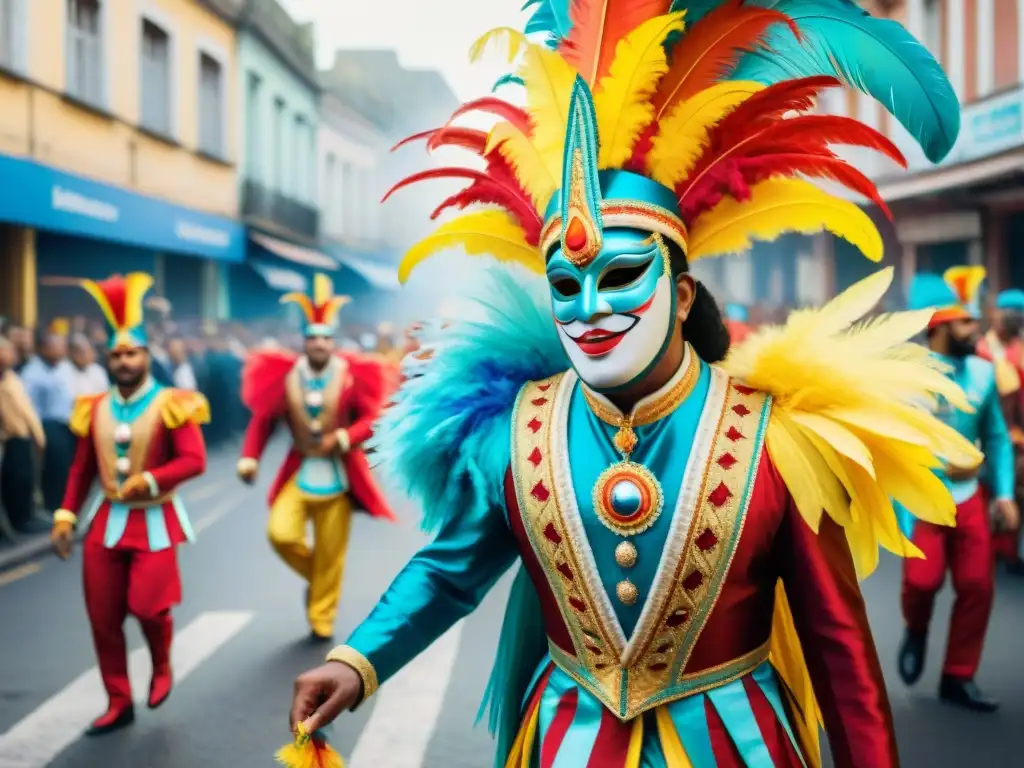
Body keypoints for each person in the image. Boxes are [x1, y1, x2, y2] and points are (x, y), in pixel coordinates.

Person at [284, 4, 972, 766]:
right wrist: (357, 661)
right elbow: (452, 569)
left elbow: (837, 648)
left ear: (680, 295)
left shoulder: (777, 441)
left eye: (618, 276)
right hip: (564, 743)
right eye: (565, 285)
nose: (590, 309)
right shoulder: (518, 431)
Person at [49, 272, 210, 735]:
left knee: (147, 607)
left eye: (132, 352)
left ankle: (161, 664)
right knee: (102, 619)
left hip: (155, 520)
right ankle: (118, 701)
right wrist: (64, 515)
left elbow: (194, 460)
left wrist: (152, 478)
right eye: (117, 354)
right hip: (105, 524)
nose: (124, 360)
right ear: (108, 358)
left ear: (146, 355)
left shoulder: (171, 403)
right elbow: (81, 470)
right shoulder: (92, 406)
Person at [237, 274, 397, 641]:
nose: (319, 344)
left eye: (326, 338)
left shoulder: (352, 377)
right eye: (313, 338)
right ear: (303, 342)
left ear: (334, 343)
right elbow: (263, 421)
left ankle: (321, 616)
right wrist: (250, 458)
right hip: (300, 471)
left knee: (332, 552)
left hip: (341, 478)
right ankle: (318, 578)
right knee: (281, 533)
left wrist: (343, 437)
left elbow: (374, 419)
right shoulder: (286, 376)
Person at [898, 267, 1018, 713]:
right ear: (941, 326)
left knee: (977, 585)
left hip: (970, 498)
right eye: (968, 322)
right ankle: (916, 628)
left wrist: (1004, 494)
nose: (978, 330)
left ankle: (958, 676)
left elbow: (1000, 438)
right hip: (921, 498)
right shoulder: (905, 379)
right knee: (921, 582)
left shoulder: (985, 375)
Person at [977, 288, 1024, 573]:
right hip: (994, 431)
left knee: (1011, 491)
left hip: (1013, 432)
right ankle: (992, 548)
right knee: (992, 489)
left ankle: (1005, 548)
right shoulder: (985, 349)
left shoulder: (1016, 349)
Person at [21, 330, 76, 512]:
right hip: (47, 424)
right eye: (55, 347)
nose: (60, 351)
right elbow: (29, 404)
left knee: (68, 467)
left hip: (68, 424)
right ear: (44, 348)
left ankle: (67, 503)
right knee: (54, 468)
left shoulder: (65, 367)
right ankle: (52, 505)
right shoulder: (32, 372)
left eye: (62, 347)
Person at [0, 336, 45, 535]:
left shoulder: (12, 378)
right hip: (9, 439)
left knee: (26, 481)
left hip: (25, 437)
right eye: (6, 351)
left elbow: (27, 410)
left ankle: (27, 518)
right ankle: (18, 522)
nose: (10, 355)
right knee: (14, 482)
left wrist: (38, 436)